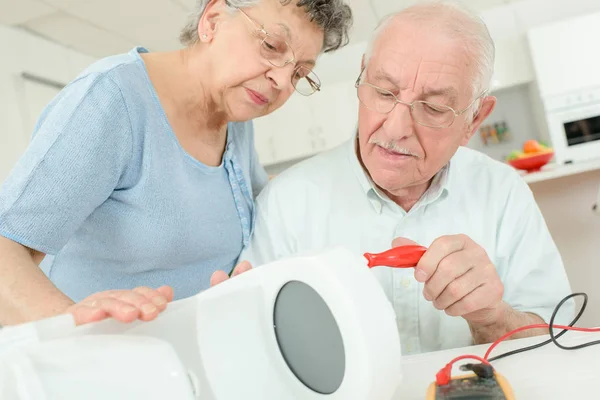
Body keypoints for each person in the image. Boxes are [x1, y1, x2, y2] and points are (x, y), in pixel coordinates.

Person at [239, 1, 574, 354]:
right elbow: (253, 346)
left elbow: (558, 339)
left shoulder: (504, 193)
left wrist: (492, 317)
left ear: (474, 120)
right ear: (361, 78)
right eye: (384, 92)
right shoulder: (286, 202)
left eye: (433, 108)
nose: (396, 129)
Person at [0, 0, 353, 327]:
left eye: (299, 73)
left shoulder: (235, 118)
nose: (281, 81)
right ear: (212, 21)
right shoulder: (112, 99)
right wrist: (70, 324)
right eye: (272, 46)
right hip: (90, 365)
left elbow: (259, 199)